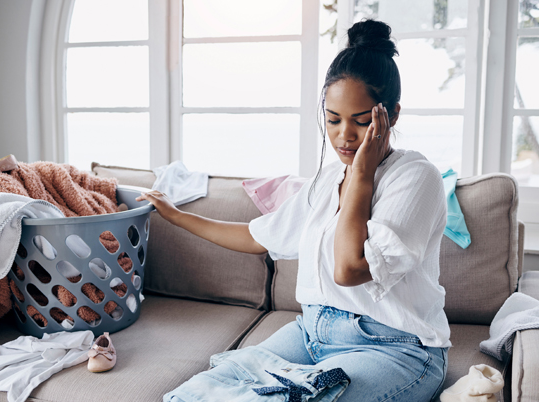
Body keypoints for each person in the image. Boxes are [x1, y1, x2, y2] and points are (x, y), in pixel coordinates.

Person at [137, 19, 450, 402]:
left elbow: (348, 269)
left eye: (361, 121)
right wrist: (177, 215)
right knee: (201, 392)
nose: (344, 136)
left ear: (392, 115)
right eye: (333, 119)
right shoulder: (327, 180)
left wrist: (363, 177)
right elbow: (257, 236)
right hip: (312, 333)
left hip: (394, 347)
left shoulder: (417, 178)